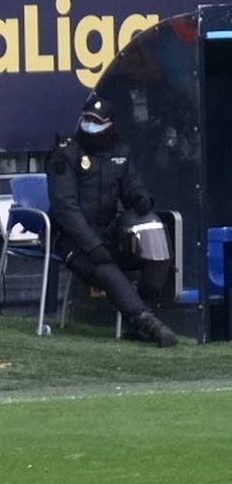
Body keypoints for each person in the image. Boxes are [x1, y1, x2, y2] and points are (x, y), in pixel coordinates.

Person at [46, 95, 178, 347]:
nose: (90, 126)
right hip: (73, 240)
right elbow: (65, 209)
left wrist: (142, 199)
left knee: (153, 231)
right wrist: (92, 245)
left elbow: (132, 189)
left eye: (97, 122)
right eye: (86, 120)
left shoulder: (120, 153)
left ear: (109, 126)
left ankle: (146, 310)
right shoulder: (65, 154)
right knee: (105, 265)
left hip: (108, 233)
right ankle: (146, 322)